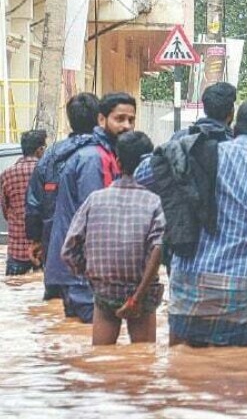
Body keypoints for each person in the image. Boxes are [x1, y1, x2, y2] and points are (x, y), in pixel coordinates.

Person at [135, 99, 247, 347]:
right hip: (245, 289)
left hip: (190, 285)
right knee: (240, 372)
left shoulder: (199, 155)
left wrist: (178, 147)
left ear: (234, 126)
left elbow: (142, 175)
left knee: (184, 371)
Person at [61, 132, 164, 345]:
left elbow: (68, 251)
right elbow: (158, 247)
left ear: (117, 162)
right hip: (142, 294)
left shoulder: (95, 199)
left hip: (105, 291)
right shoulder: (155, 202)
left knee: (101, 361)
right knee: (143, 363)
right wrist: (137, 296)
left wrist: (92, 276)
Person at [45, 92, 136, 323]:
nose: (126, 126)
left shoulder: (103, 154)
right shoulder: (95, 159)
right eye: (120, 119)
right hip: (83, 274)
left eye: (131, 120)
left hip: (81, 272)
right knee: (96, 340)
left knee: (85, 347)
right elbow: (97, 220)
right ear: (101, 120)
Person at [26, 93, 100, 298]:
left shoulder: (50, 156)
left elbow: (34, 202)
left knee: (57, 314)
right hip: (93, 256)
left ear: (70, 120)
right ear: (99, 118)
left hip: (54, 253)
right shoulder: (104, 153)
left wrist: (35, 239)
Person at [1, 130, 46, 275]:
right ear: (40, 149)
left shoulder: (7, 175)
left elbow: (5, 211)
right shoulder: (47, 172)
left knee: (14, 291)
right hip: (42, 250)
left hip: (17, 251)